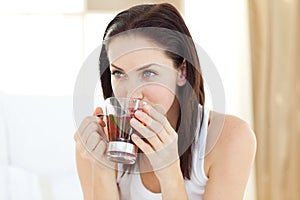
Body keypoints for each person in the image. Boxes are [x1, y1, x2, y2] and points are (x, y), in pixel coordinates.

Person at [74, 3, 256, 200]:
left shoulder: (230, 138)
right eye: (119, 73)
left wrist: (169, 174)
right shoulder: (97, 142)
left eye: (148, 73)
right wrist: (102, 169)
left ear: (182, 72)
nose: (131, 95)